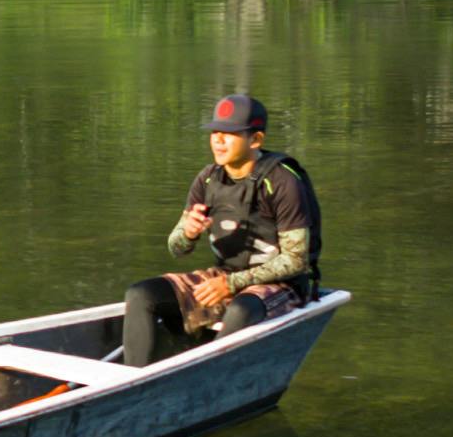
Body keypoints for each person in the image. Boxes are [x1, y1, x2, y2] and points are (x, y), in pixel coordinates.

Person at [125, 91, 321, 366]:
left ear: (256, 139)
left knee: (240, 310)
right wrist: (189, 233)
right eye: (215, 131)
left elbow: (296, 261)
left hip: (282, 285)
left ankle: (206, 380)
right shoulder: (207, 180)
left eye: (229, 133)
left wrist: (230, 285)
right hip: (226, 275)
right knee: (141, 295)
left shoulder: (282, 182)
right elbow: (175, 247)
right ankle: (137, 382)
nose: (218, 139)